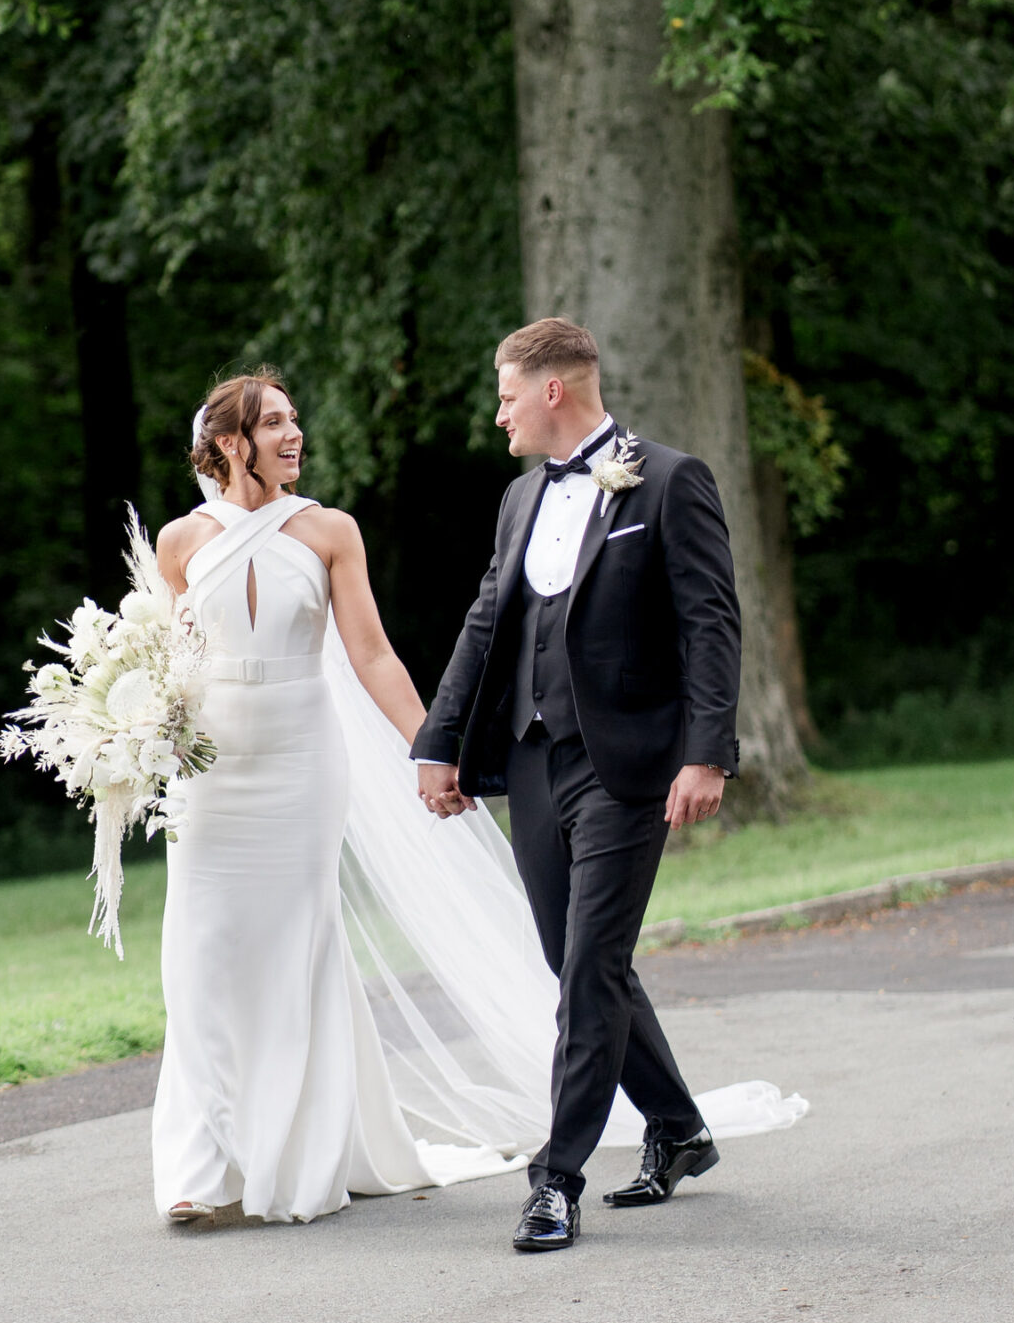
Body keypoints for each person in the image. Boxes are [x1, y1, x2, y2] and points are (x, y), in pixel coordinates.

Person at [152, 372, 546, 1226]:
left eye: (296, 419)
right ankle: (203, 1163)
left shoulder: (329, 530)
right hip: (210, 773)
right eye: (277, 424)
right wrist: (128, 737)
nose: (295, 435)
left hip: (301, 760)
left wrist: (429, 746)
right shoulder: (179, 541)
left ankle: (296, 1160)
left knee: (296, 948)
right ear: (229, 443)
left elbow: (370, 656)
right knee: (199, 952)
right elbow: (166, 666)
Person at [412, 317, 744, 1254]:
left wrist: (706, 752)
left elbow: (710, 626)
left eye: (507, 394)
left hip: (628, 765)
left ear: (552, 389)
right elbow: (486, 625)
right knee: (574, 961)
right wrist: (437, 745)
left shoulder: (671, 480)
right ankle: (677, 1131)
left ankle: (555, 1178)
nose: (498, 412)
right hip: (529, 759)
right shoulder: (520, 497)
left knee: (591, 965)